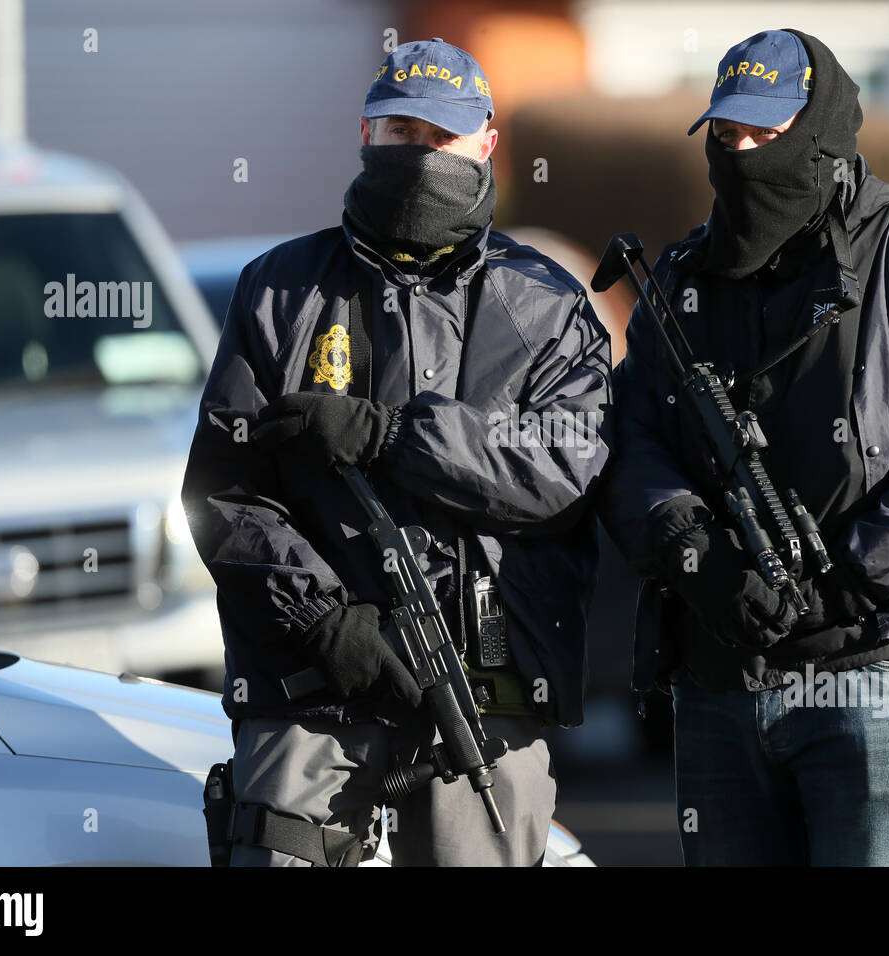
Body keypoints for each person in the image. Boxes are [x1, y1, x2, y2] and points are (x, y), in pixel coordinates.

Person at [598, 28, 889, 866]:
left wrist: (845, 578)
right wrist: (694, 551)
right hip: (719, 680)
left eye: (770, 133)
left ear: (825, 130)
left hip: (876, 670)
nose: (746, 155)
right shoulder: (685, 277)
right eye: (729, 137)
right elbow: (633, 440)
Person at [182, 37, 611, 867]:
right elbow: (224, 491)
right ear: (365, 136)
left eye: (440, 138)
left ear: (485, 144)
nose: (419, 155)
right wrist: (324, 623)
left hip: (488, 694)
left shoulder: (549, 305)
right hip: (310, 689)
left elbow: (562, 471)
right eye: (400, 132)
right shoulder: (278, 289)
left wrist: (393, 436)